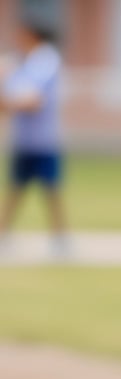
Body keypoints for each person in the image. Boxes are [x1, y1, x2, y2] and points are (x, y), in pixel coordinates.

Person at [0, 18, 66, 252]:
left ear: (31, 34)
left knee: (51, 188)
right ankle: (4, 233)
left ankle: (59, 238)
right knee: (15, 188)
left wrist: (8, 102)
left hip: (43, 139)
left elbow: (33, 100)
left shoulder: (45, 60)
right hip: (24, 139)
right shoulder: (22, 62)